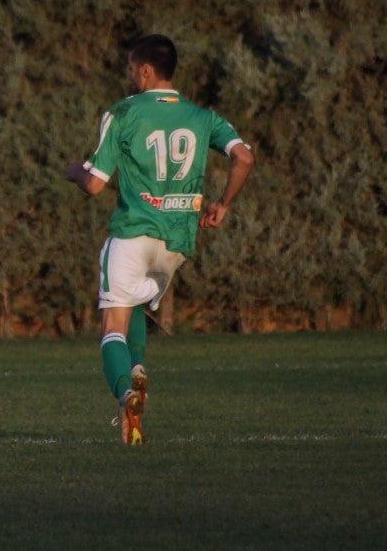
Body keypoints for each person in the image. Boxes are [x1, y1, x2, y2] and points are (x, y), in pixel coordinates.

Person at [65, 34, 254, 445]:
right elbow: (244, 157)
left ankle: (125, 394)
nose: (130, 77)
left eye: (132, 70)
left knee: (112, 322)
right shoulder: (204, 117)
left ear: (145, 70)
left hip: (133, 233)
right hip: (176, 243)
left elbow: (95, 185)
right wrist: (222, 204)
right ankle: (137, 368)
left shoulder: (123, 112)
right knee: (131, 301)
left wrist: (72, 170)